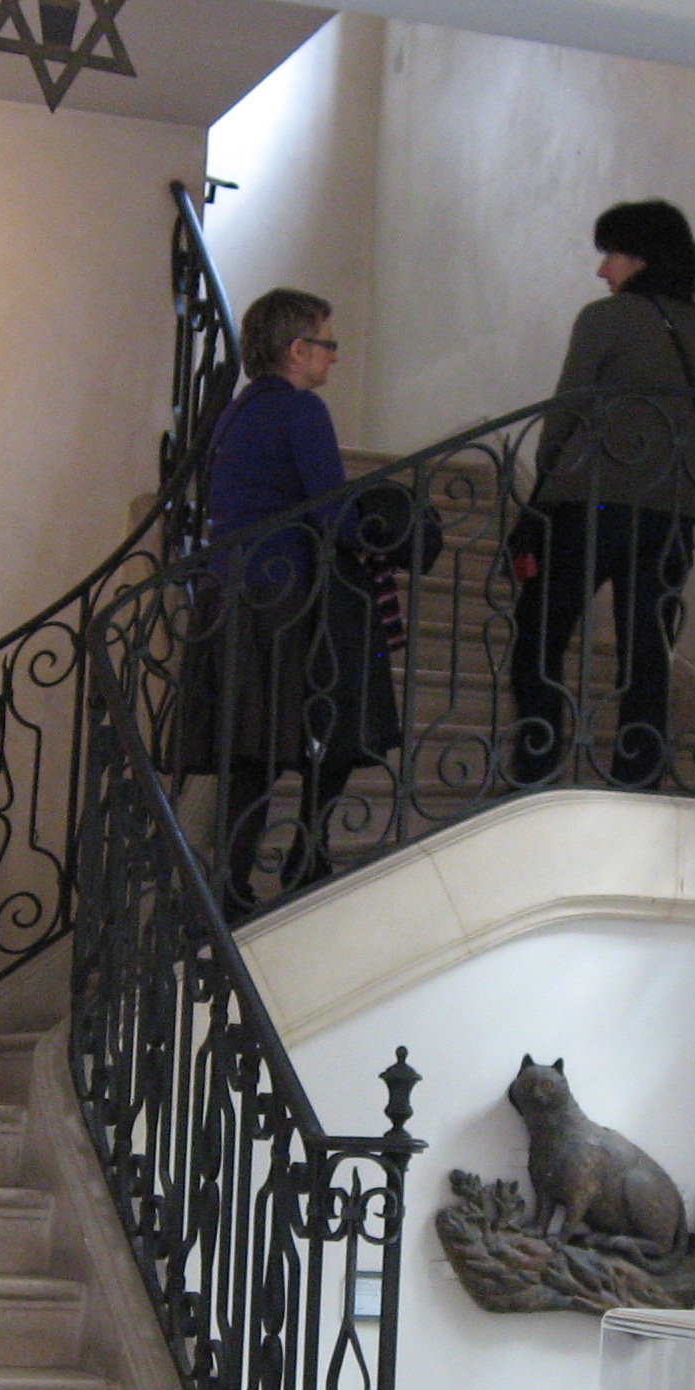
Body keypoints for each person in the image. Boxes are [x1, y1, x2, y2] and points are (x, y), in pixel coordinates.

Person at [179, 288, 401, 918]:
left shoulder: (236, 412)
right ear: (297, 350)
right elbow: (331, 512)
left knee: (252, 750)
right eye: (328, 343)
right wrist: (384, 533)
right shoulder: (302, 410)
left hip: (229, 595)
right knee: (337, 719)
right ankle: (307, 854)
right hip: (283, 598)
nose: (335, 357)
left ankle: (229, 886)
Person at [509, 199, 695, 789]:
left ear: (643, 258)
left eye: (612, 254)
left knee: (539, 634)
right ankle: (639, 774)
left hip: (590, 502)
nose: (602, 269)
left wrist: (547, 476)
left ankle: (537, 762)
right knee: (647, 651)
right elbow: (693, 425)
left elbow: (566, 408)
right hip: (670, 512)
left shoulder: (605, 318)